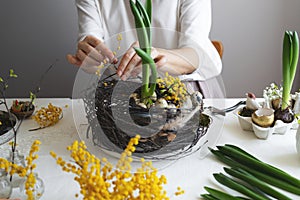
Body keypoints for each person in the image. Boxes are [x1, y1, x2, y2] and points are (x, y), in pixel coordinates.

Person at [67, 0, 224, 98]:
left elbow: (195, 53)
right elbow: (90, 38)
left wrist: (157, 56)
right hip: (119, 94)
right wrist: (90, 55)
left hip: (183, 91)